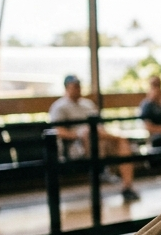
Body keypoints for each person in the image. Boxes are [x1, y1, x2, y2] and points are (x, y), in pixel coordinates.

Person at [49, 75, 140, 203]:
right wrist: (79, 134)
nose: (77, 89)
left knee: (121, 141)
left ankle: (127, 186)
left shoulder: (88, 104)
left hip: (98, 139)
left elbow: (99, 127)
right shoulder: (59, 107)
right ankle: (99, 169)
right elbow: (58, 131)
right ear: (66, 88)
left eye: (79, 86)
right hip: (77, 145)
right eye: (74, 86)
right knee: (88, 133)